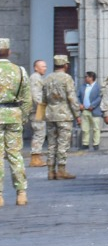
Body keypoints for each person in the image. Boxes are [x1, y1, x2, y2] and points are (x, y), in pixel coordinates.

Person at [0, 39, 33, 206]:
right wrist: (23, 117)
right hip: (14, 115)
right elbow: (27, 99)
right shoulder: (20, 71)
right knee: (15, 154)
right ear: (9, 52)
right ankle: (21, 192)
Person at [40, 56, 76, 181]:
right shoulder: (67, 78)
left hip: (50, 115)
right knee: (63, 143)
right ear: (65, 65)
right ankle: (61, 169)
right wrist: (78, 115)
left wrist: (40, 116)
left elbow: (42, 99)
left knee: (51, 143)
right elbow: (72, 98)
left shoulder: (47, 79)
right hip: (64, 115)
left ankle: (50, 171)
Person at [27, 58, 47, 167]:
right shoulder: (35, 78)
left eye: (45, 66)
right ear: (36, 67)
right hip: (37, 110)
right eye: (43, 66)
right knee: (39, 133)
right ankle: (35, 158)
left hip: (37, 110)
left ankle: (37, 157)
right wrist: (42, 107)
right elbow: (36, 95)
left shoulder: (37, 77)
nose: (45, 68)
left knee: (39, 133)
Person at [78, 70, 102, 151]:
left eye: (86, 77)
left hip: (94, 110)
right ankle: (85, 143)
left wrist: (93, 105)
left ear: (91, 78)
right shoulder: (83, 87)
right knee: (85, 128)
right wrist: (79, 104)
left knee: (96, 128)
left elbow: (100, 97)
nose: (85, 78)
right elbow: (77, 96)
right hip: (84, 110)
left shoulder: (98, 87)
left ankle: (96, 144)